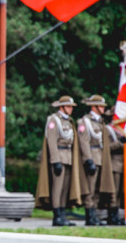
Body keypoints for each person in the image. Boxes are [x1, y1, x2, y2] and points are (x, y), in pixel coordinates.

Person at [35, 95, 84, 226]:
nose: (71, 109)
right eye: (68, 106)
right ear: (61, 107)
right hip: (59, 157)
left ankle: (62, 214)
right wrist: (55, 160)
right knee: (57, 188)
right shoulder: (53, 120)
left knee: (64, 188)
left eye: (71, 107)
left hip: (68, 157)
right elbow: (51, 141)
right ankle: (56, 215)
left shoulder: (68, 121)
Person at [77, 94, 114, 226]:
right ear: (94, 107)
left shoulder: (100, 122)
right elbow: (84, 142)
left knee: (98, 188)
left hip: (101, 158)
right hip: (92, 157)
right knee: (90, 189)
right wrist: (88, 160)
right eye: (101, 106)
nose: (103, 109)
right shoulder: (84, 122)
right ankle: (89, 216)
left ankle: (95, 215)